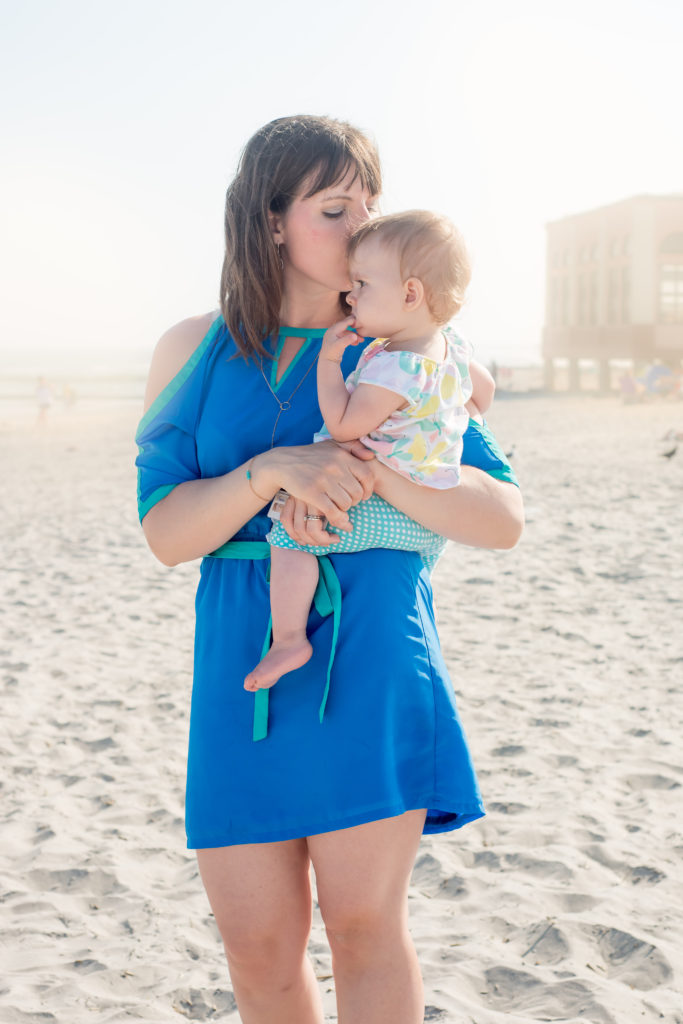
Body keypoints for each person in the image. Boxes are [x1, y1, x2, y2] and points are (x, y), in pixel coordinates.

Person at [136, 115, 523, 1024]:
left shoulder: (412, 349)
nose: (361, 229)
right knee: (260, 948)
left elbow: (502, 519)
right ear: (271, 221)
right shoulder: (192, 348)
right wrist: (271, 471)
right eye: (333, 207)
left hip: (376, 652)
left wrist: (377, 471)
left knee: (361, 926)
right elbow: (165, 533)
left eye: (370, 206)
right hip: (243, 661)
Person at [244, 210, 495, 692]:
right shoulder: (452, 346)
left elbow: (342, 426)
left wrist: (329, 359)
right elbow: (482, 391)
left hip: (386, 506)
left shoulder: (395, 368)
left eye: (362, 284)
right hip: (428, 509)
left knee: (288, 533)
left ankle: (290, 639)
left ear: (410, 294)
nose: (350, 294)